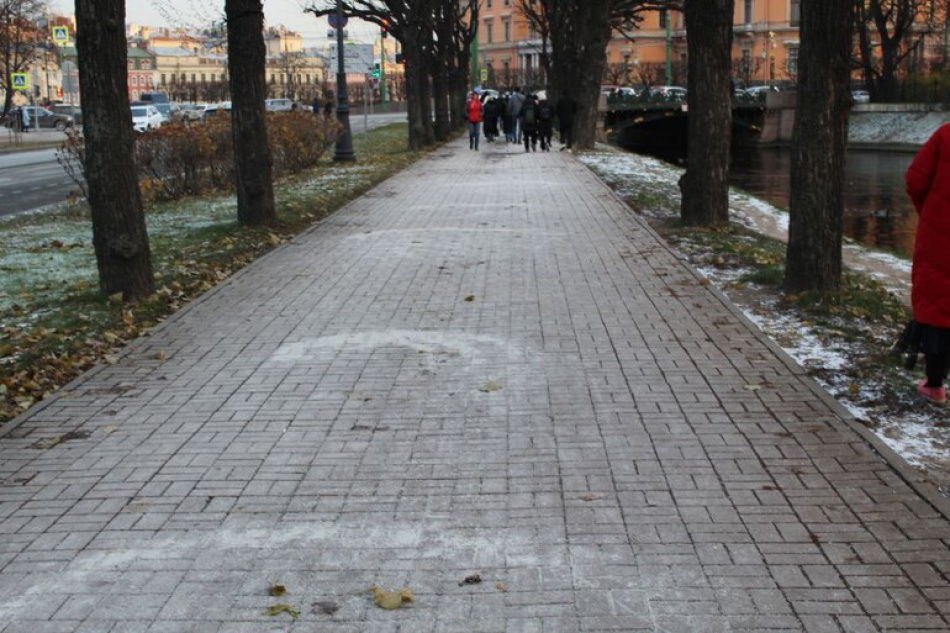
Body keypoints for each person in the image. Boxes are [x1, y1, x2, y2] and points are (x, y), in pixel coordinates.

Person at [905, 123, 950, 404]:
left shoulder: (945, 134)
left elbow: (915, 181)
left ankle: (935, 385)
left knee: (938, 307)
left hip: (939, 235)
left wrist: (930, 211)